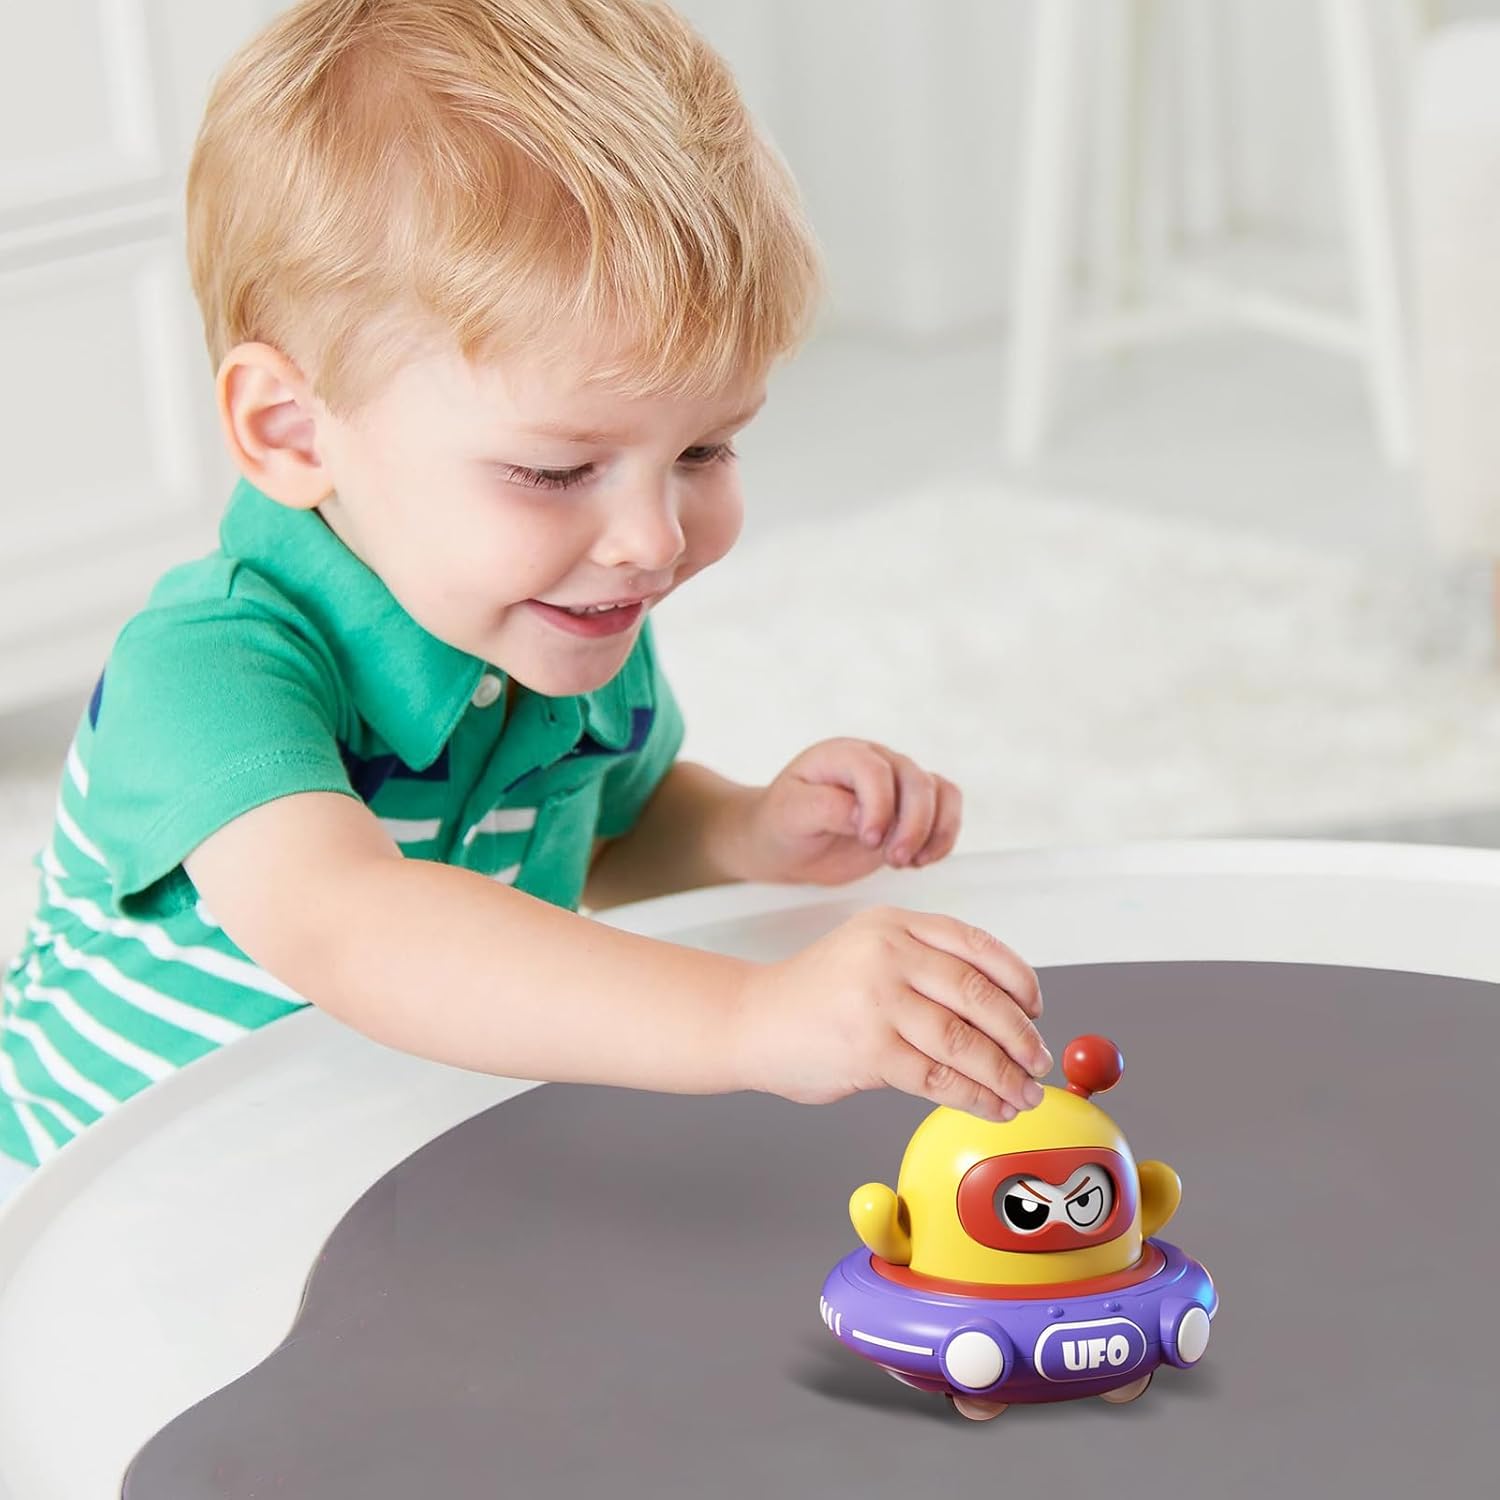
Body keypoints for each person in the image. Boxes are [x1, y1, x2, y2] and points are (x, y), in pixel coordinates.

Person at [0, 0, 1051, 1204]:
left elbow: (609, 833)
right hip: (91, 1212)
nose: (653, 540)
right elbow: (357, 926)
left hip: (368, 1179)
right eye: (556, 471)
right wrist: (752, 1015)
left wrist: (751, 833)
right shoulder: (204, 669)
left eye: (704, 450)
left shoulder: (562, 619)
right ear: (291, 430)